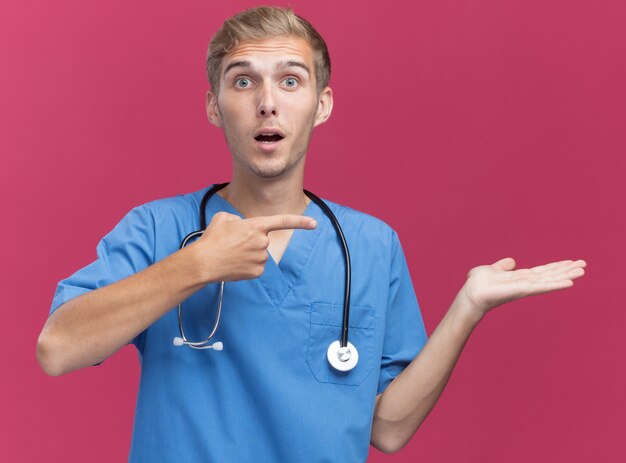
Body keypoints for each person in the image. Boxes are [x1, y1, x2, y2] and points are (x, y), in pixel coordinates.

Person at [36, 6, 587, 462]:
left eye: (291, 80)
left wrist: (467, 307)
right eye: (243, 80)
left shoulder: (370, 246)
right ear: (214, 105)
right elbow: (58, 348)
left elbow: (388, 428)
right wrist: (195, 266)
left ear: (321, 105)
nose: (267, 101)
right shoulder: (161, 230)